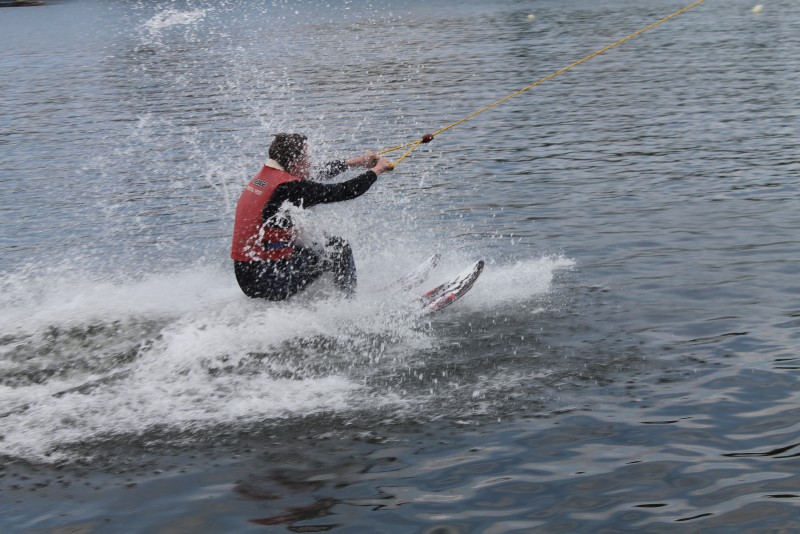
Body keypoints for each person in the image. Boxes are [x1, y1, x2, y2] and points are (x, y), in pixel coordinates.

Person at [231, 133, 393, 301]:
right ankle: (349, 305)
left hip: (251, 273)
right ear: (295, 162)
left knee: (318, 245)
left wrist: (355, 162)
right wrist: (377, 170)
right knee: (338, 249)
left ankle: (324, 297)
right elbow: (344, 191)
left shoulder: (269, 176)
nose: (311, 162)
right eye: (307, 157)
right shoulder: (289, 187)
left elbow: (312, 175)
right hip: (266, 281)